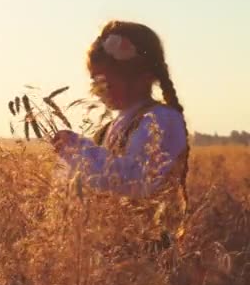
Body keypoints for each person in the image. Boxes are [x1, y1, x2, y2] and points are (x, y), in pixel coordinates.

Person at [52, 20, 189, 243]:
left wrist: (79, 150)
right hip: (118, 243)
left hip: (152, 247)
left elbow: (137, 181)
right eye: (94, 81)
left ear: (143, 78)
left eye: (103, 81)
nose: (96, 90)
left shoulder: (161, 119)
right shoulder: (116, 124)